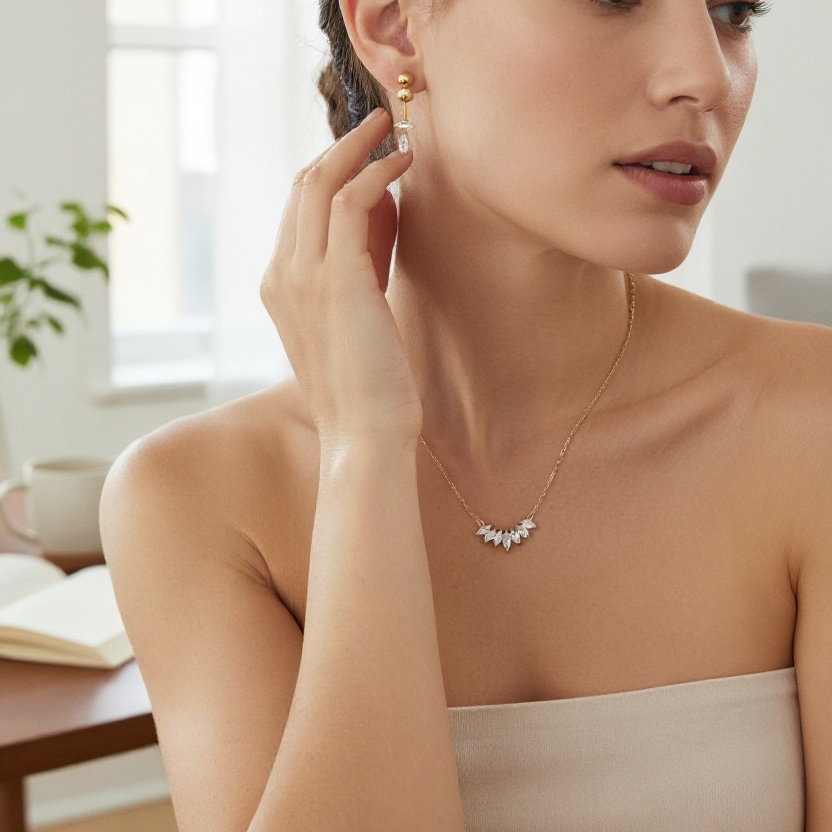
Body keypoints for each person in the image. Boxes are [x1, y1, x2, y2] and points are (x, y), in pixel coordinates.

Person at [99, 0, 832, 830]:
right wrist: (364, 453)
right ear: (396, 26)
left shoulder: (815, 418)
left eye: (734, 12)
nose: (708, 74)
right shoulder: (193, 497)